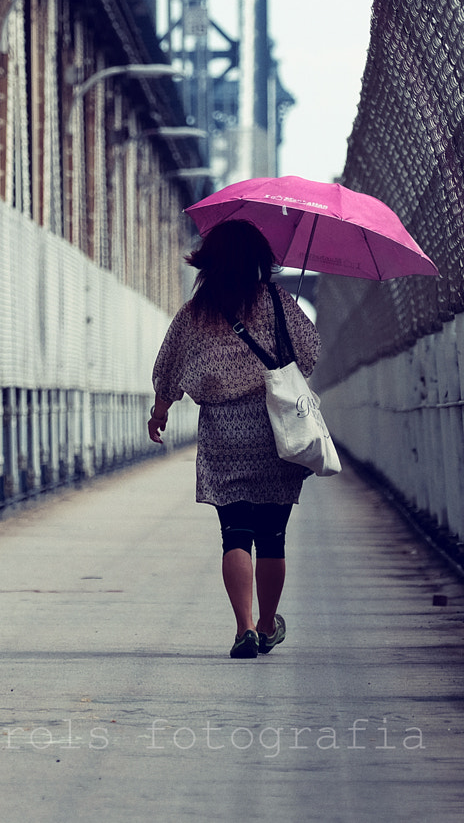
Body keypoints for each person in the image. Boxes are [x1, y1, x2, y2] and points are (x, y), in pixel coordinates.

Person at [147, 219, 321, 659]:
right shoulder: (278, 302)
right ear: (260, 260)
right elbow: (311, 354)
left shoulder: (195, 313)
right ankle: (266, 625)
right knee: (273, 536)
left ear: (210, 263)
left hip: (223, 430)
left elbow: (168, 367)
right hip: (275, 427)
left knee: (235, 534)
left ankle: (242, 627)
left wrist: (160, 410)